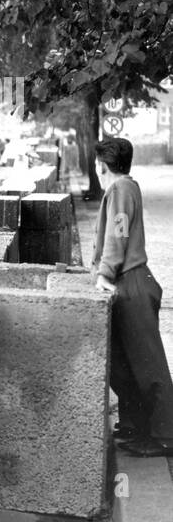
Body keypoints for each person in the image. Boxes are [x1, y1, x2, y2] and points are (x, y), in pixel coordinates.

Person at [91, 139, 173, 456]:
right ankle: (138, 427)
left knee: (147, 366)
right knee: (124, 365)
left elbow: (118, 233)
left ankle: (165, 435)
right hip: (133, 281)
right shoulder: (126, 186)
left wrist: (105, 273)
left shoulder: (120, 189)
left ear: (101, 166)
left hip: (132, 282)